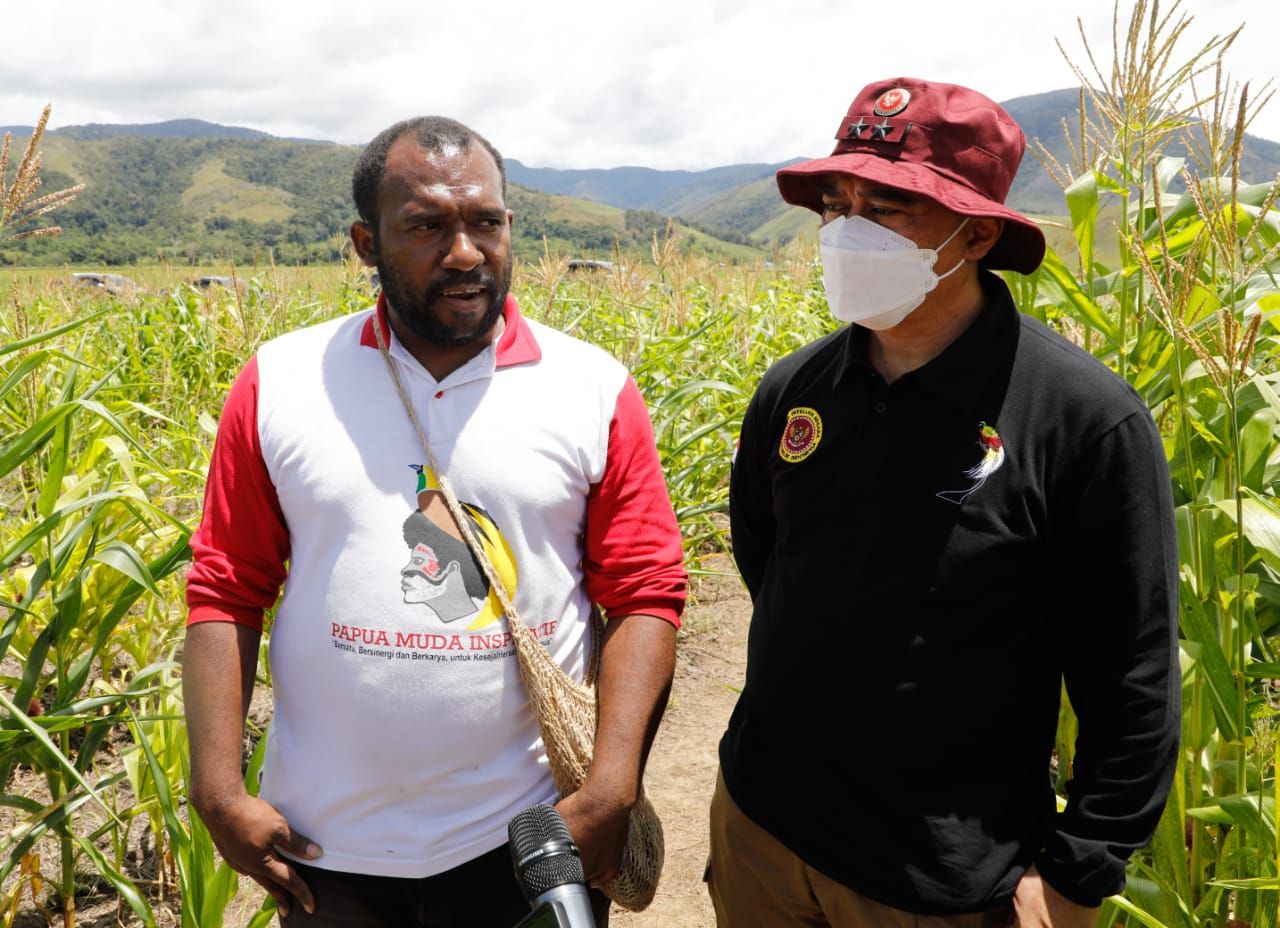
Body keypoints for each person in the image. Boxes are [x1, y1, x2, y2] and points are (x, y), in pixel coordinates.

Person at [183, 116, 687, 927]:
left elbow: (645, 591)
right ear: (365, 242)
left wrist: (610, 789)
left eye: (485, 222)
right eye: (425, 227)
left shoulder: (590, 388)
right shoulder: (282, 381)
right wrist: (215, 790)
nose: (464, 252)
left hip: (529, 835)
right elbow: (225, 589)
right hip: (327, 842)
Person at [711, 78, 1179, 927]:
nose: (848, 231)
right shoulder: (798, 389)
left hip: (941, 880)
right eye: (836, 204)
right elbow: (767, 561)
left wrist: (1076, 876)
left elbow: (1133, 679)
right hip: (762, 829)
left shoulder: (1083, 421)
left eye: (888, 208)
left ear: (977, 232)